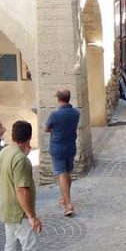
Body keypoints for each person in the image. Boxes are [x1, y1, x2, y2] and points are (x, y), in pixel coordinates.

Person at [0, 120, 40, 251]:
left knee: (10, 248)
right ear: (28, 137)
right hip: (18, 211)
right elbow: (21, 189)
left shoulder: (5, 152)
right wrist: (31, 216)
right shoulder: (21, 159)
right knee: (30, 248)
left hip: (6, 207)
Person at [45, 89, 80, 217]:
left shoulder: (55, 114)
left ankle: (68, 204)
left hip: (57, 147)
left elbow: (47, 128)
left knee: (61, 174)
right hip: (70, 146)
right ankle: (64, 197)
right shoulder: (76, 113)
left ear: (58, 99)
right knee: (67, 173)